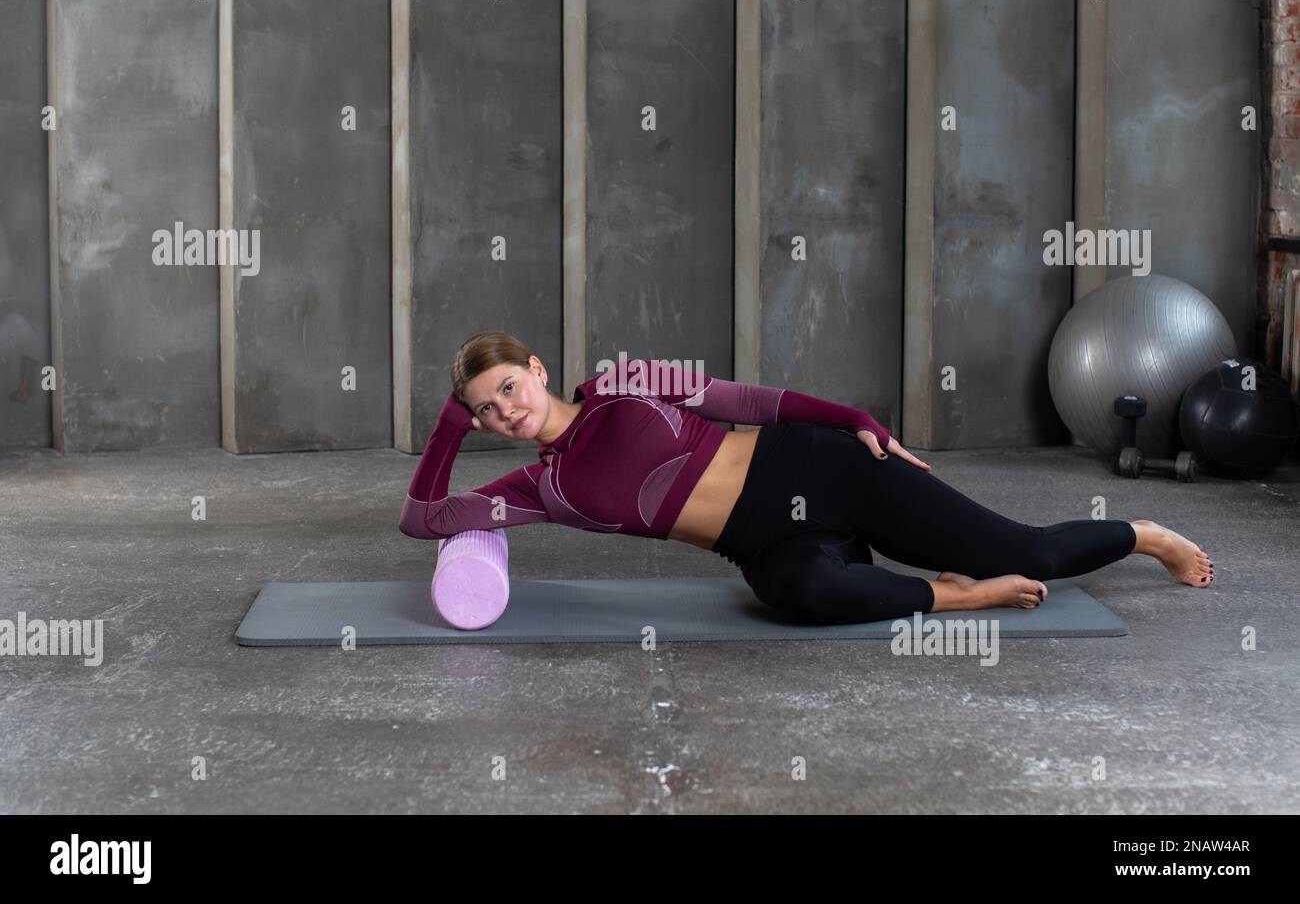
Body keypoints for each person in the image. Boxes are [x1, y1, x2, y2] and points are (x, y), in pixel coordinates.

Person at [399, 331, 1214, 625]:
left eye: (510, 386)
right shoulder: (538, 492)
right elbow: (425, 519)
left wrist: (855, 421)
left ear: (537, 369)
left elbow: (747, 397)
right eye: (484, 410)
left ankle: (1146, 535)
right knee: (800, 598)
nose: (507, 410)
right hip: (764, 543)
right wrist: (445, 424)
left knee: (1029, 551)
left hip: (820, 472)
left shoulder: (623, 379)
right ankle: (957, 595)